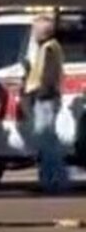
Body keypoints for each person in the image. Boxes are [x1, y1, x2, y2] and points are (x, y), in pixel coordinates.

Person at [24, 13, 66, 193]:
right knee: (48, 141)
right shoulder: (49, 47)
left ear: (43, 32)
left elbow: (47, 76)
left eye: (34, 30)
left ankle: (54, 181)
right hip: (47, 98)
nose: (32, 33)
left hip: (45, 99)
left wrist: (38, 94)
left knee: (47, 142)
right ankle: (51, 179)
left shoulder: (48, 48)